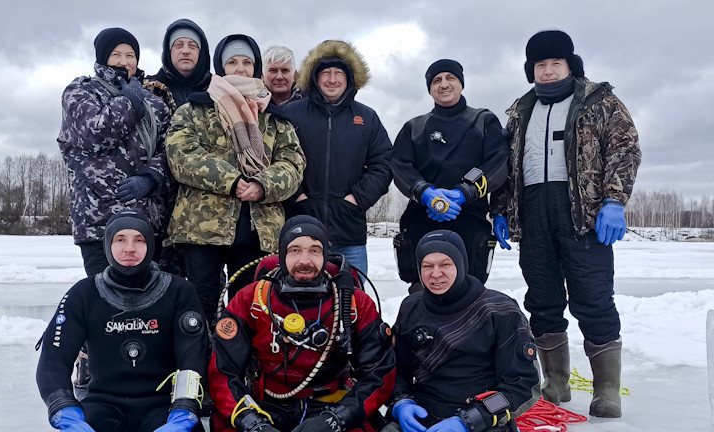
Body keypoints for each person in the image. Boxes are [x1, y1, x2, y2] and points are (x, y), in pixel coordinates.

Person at [490, 30, 641, 418]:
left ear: (570, 65)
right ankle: (555, 383)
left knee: (593, 300)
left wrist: (613, 202)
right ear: (532, 71)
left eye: (556, 62)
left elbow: (625, 149)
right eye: (540, 65)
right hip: (535, 213)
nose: (548, 70)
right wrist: (502, 211)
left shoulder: (599, 102)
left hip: (583, 217)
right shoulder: (520, 113)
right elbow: (506, 169)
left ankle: (606, 390)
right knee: (542, 301)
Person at [207, 216, 396, 432]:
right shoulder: (251, 300)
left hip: (330, 406)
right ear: (282, 255)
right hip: (265, 405)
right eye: (295, 250)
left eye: (314, 250)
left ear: (326, 255)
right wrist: (251, 426)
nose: (304, 260)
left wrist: (338, 420)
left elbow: (379, 374)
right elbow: (222, 372)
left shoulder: (354, 303)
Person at [358, 230, 540, 432]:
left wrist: (470, 420)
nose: (436, 274)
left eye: (445, 265)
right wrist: (401, 404)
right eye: (427, 266)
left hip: (486, 429)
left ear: (462, 265)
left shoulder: (500, 310)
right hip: (422, 418)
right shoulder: (411, 306)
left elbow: (523, 385)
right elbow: (397, 369)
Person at [36, 211, 209, 432]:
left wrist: (184, 414)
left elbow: (193, 358)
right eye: (120, 240)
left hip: (163, 407)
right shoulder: (84, 294)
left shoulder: (179, 291)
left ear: (151, 246)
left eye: (139, 240)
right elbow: (53, 360)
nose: (129, 248)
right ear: (107, 246)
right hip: (104, 404)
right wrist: (66, 414)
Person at [164, 34, 305, 326]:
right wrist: (232, 181)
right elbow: (181, 155)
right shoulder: (194, 110)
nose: (239, 69)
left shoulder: (276, 119)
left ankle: (243, 370)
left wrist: (263, 185)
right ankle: (200, 368)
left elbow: (293, 165)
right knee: (200, 312)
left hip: (258, 233)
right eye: (232, 62)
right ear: (220, 66)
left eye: (246, 62)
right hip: (201, 233)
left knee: (251, 311)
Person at [58, 27, 171, 278]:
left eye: (130, 55)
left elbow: (171, 150)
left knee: (151, 300)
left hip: (147, 222)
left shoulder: (155, 102)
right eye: (116, 54)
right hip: (99, 220)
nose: (124, 61)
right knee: (104, 298)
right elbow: (95, 135)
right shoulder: (80, 91)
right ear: (102, 58)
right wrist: (128, 102)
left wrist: (151, 178)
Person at [391, 59, 508, 289]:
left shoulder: (483, 121)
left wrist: (465, 192)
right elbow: (400, 166)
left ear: (461, 83)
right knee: (421, 288)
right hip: (421, 220)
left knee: (470, 289)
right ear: (430, 88)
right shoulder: (414, 127)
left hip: (470, 220)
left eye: (450, 78)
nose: (443, 84)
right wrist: (425, 193)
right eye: (436, 80)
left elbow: (497, 163)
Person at [285, 40, 393, 277]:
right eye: (325, 73)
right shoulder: (291, 114)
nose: (332, 79)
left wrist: (356, 198)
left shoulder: (367, 118)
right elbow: (273, 159)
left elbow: (383, 163)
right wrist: (297, 197)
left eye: (338, 73)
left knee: (353, 302)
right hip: (299, 231)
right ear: (314, 77)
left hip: (349, 233)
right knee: (301, 303)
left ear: (350, 78)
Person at [144, 19, 213, 276]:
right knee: (159, 280)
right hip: (159, 204)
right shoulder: (147, 89)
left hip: (206, 209)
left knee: (203, 284)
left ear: (202, 52)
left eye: (192, 45)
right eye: (179, 45)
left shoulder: (219, 89)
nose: (185, 50)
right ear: (168, 51)